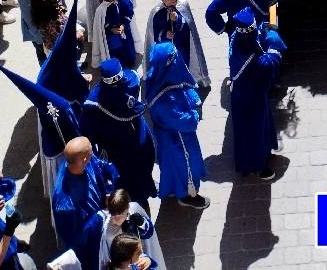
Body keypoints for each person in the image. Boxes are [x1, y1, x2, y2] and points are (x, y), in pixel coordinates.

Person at [81, 61, 156, 209]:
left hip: (117, 148)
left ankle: (129, 205)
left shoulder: (94, 103)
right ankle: (140, 202)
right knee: (137, 173)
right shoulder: (132, 81)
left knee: (126, 178)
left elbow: (87, 131)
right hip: (136, 139)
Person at [145, 43, 209, 209]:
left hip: (168, 138)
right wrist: (196, 111)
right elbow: (187, 122)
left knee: (172, 167)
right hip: (179, 140)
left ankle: (174, 190)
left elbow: (184, 86)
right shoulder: (166, 99)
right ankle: (187, 195)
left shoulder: (159, 78)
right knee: (186, 167)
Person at [227, 7, 285, 180]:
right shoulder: (249, 58)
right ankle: (258, 166)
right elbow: (269, 64)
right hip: (249, 99)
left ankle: (265, 152)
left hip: (250, 94)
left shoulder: (236, 36)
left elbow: (257, 32)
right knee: (254, 133)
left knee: (262, 127)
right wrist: (274, 45)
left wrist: (265, 29)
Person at [52, 138, 119, 266]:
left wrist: (108, 191)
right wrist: (100, 218)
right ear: (84, 160)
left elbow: (105, 168)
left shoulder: (82, 161)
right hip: (90, 248)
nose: (93, 154)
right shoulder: (64, 203)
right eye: (91, 152)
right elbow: (73, 238)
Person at [144, 0, 210, 88]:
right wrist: (165, 34)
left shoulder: (183, 4)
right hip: (167, 47)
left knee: (184, 65)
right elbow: (154, 34)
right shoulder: (156, 12)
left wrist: (178, 19)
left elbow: (188, 26)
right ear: (163, 0)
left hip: (183, 45)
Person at [98, 189, 164, 270]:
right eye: (113, 214)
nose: (116, 219)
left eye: (120, 214)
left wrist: (142, 223)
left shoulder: (133, 209)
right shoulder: (108, 230)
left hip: (137, 259)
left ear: (127, 208)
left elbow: (149, 234)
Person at [91, 0, 141, 70]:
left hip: (124, 31)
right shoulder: (102, 9)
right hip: (112, 36)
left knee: (128, 47)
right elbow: (101, 25)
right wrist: (111, 29)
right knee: (115, 51)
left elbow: (129, 13)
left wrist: (123, 25)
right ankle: (118, 65)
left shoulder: (124, 2)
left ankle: (130, 62)